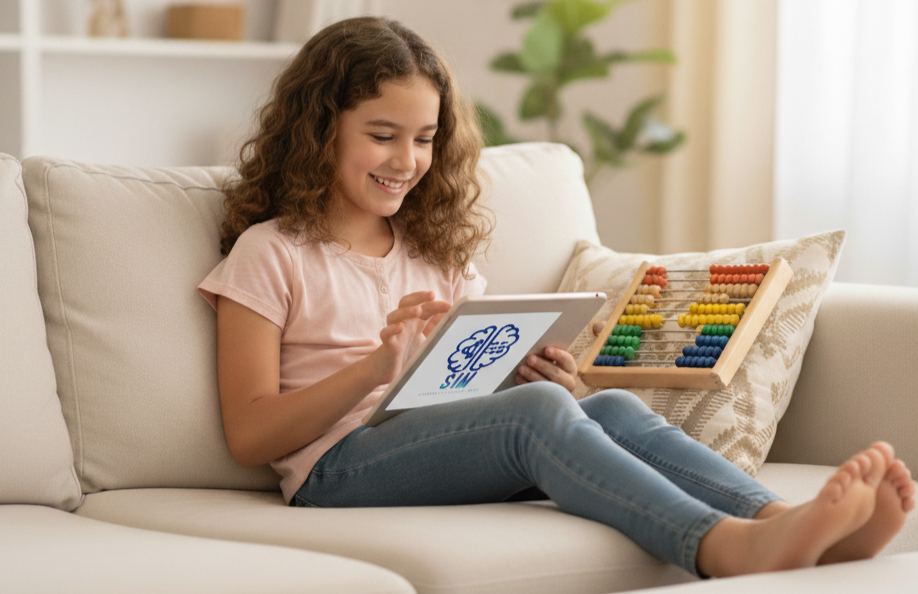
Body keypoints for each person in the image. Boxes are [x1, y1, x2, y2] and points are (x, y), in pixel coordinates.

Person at [198, 16, 915, 578]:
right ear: (320, 128)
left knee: (605, 404)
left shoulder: (432, 256)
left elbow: (471, 393)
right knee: (534, 416)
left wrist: (550, 379)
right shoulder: (273, 251)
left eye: (423, 139)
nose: (407, 162)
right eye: (382, 136)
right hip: (337, 469)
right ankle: (721, 546)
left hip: (434, 441)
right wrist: (372, 369)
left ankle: (789, 523)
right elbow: (251, 435)